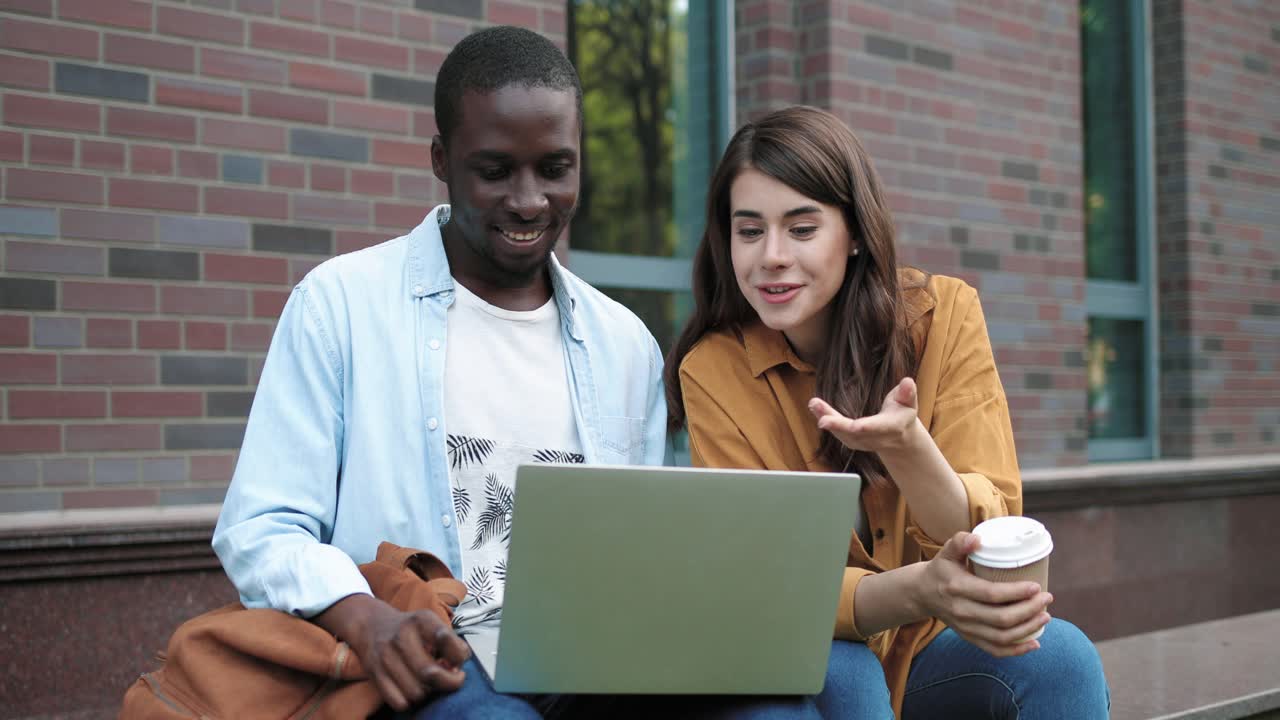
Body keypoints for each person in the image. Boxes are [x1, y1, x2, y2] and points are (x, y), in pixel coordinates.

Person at [213, 26, 668, 718]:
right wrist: (367, 620)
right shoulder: (340, 306)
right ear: (440, 159)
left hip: (589, 668)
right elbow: (262, 527)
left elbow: (644, 547)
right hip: (425, 669)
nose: (528, 201)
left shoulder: (625, 344)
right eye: (494, 170)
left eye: (555, 169)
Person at [666, 106, 1110, 719]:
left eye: (801, 228)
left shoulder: (944, 316)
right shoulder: (714, 371)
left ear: (853, 234)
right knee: (843, 670)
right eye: (749, 231)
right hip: (813, 650)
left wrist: (908, 448)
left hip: (932, 649)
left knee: (1059, 658)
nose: (770, 256)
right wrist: (916, 589)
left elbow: (994, 531)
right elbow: (762, 583)